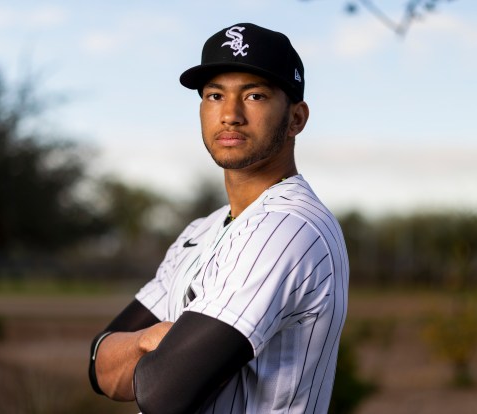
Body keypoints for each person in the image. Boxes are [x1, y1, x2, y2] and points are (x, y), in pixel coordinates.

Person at [88, 22, 349, 414]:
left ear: (296, 118)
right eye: (214, 95)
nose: (230, 114)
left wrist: (146, 352)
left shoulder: (288, 227)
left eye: (255, 95)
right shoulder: (202, 230)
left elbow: (162, 392)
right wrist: (149, 341)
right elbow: (99, 368)